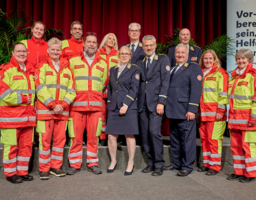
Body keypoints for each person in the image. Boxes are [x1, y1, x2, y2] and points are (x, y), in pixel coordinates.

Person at [35, 37, 76, 180]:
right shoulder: (41, 67)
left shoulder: (67, 69)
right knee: (45, 141)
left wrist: (62, 105)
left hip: (62, 112)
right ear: (48, 50)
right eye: (52, 49)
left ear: (61, 51)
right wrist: (53, 105)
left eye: (58, 49)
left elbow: (72, 90)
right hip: (46, 111)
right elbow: (40, 88)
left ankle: (55, 167)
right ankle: (44, 169)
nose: (55, 51)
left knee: (59, 141)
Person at [67, 33, 107, 175]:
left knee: (93, 137)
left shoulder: (102, 62)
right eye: (89, 42)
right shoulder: (73, 61)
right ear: (83, 44)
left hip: (95, 107)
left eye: (94, 42)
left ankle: (93, 163)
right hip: (77, 106)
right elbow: (69, 82)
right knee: (76, 137)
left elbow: (103, 83)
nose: (91, 44)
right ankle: (74, 164)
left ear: (97, 44)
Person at [0, 42, 36, 184]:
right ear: (13, 53)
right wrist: (23, 99)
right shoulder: (6, 70)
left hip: (27, 117)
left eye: (24, 51)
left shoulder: (30, 71)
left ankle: (22, 172)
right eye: (19, 51)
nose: (22, 53)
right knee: (11, 146)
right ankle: (10, 173)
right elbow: (3, 92)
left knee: (26, 146)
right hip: (11, 117)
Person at [164, 44, 203, 176]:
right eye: (177, 53)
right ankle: (176, 163)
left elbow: (196, 90)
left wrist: (192, 109)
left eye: (182, 53)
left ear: (187, 55)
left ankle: (187, 166)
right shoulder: (173, 69)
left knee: (187, 140)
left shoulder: (194, 67)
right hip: (172, 110)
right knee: (175, 139)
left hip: (185, 110)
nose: (180, 55)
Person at [138, 35, 170, 176]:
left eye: (151, 45)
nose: (149, 47)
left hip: (156, 103)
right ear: (143, 46)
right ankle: (151, 162)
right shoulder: (140, 61)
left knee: (154, 133)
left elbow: (165, 82)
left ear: (155, 45)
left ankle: (159, 164)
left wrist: (161, 102)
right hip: (142, 104)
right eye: (146, 45)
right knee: (145, 135)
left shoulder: (163, 59)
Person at [106, 46, 140, 175]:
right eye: (122, 53)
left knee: (129, 135)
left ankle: (130, 162)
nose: (124, 56)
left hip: (129, 106)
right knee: (111, 136)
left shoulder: (135, 69)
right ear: (118, 55)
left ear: (130, 56)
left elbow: (134, 88)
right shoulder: (112, 70)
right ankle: (113, 161)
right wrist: (110, 103)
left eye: (127, 54)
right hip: (114, 107)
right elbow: (110, 89)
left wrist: (125, 105)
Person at [198, 50, 229, 175]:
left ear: (215, 59)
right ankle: (207, 163)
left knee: (214, 140)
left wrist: (221, 110)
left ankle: (215, 166)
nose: (208, 61)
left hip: (216, 114)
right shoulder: (199, 72)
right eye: (206, 59)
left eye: (210, 58)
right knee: (204, 139)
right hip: (202, 113)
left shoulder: (221, 73)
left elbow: (223, 93)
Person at [227, 48, 256, 183]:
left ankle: (251, 173)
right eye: (238, 58)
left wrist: (253, 118)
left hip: (248, 120)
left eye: (243, 58)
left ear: (249, 60)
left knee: (248, 147)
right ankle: (238, 171)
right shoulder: (234, 76)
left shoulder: (253, 75)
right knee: (236, 147)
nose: (240, 61)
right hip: (234, 119)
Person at [98, 33, 119, 144]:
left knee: (111, 113)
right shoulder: (97, 54)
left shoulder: (118, 55)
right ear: (105, 40)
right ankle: (101, 137)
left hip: (112, 89)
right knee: (101, 114)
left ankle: (110, 136)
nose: (111, 40)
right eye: (109, 38)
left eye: (113, 39)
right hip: (99, 89)